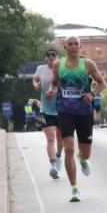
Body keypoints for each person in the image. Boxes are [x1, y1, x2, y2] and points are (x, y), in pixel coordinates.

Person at [46, 37, 106, 201]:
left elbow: (102, 83)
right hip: (65, 112)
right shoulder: (59, 64)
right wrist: (51, 90)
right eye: (70, 44)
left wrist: (91, 94)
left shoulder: (88, 64)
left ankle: (82, 159)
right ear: (65, 47)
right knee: (69, 149)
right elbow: (54, 82)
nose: (73, 47)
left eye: (75, 44)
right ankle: (74, 189)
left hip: (84, 113)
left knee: (85, 153)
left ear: (80, 47)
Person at [34, 50, 64, 178]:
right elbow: (35, 79)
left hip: (61, 108)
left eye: (54, 56)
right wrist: (36, 85)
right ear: (46, 58)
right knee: (50, 138)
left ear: (57, 58)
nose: (51, 58)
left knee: (60, 138)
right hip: (44, 109)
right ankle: (53, 166)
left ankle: (58, 157)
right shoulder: (41, 69)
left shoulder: (62, 69)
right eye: (49, 56)